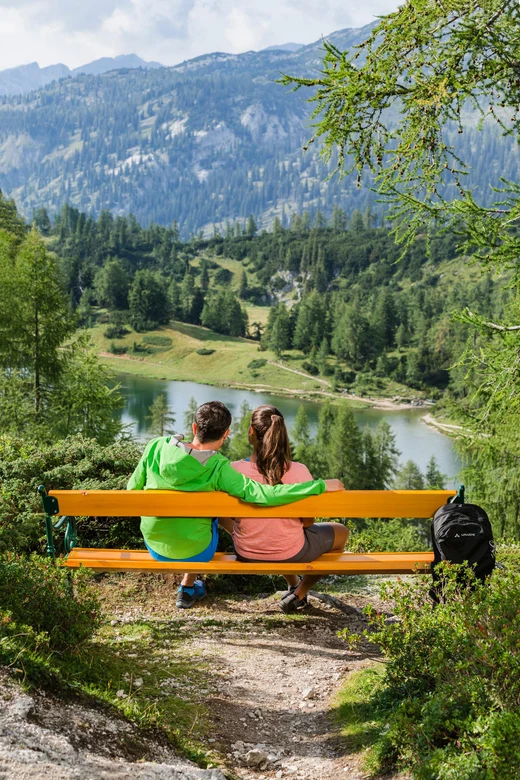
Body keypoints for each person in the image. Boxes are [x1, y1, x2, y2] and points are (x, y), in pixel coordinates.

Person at [127, 401, 343, 609]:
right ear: (225, 434)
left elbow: (131, 491)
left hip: (155, 546)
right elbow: (265, 495)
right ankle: (298, 591)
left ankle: (188, 586)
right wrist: (318, 486)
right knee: (211, 516)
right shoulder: (219, 468)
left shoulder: (155, 446)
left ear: (194, 427)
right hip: (198, 551)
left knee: (212, 514)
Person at [229, 404, 349, 613]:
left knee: (274, 531)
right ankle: (299, 593)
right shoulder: (299, 471)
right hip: (292, 551)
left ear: (251, 432)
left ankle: (294, 585)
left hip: (246, 550)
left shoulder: (233, 471)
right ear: (282, 433)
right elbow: (308, 522)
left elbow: (223, 516)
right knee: (341, 533)